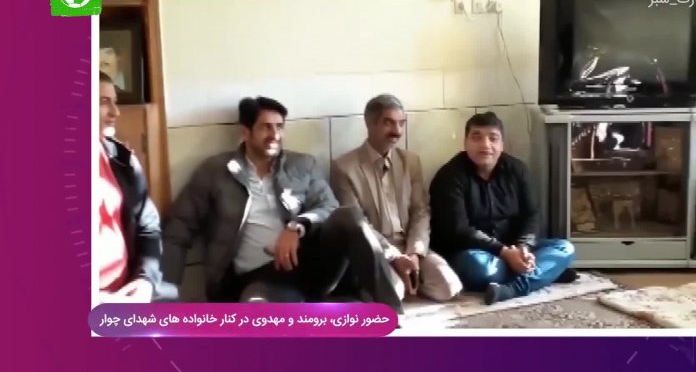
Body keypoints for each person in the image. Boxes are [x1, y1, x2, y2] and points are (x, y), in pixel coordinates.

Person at [161, 96, 402, 312]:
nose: (275, 135)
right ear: (245, 132)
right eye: (266, 127)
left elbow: (329, 206)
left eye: (279, 127)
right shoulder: (215, 172)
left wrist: (297, 226)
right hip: (260, 279)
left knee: (349, 217)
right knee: (259, 313)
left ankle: (390, 311)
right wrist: (164, 296)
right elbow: (177, 230)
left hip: (311, 264)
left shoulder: (302, 165)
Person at [429, 112, 577, 305]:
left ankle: (514, 288)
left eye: (493, 138)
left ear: (502, 144)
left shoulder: (517, 170)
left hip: (513, 247)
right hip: (471, 253)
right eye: (477, 137)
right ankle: (544, 273)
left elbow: (531, 215)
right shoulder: (449, 177)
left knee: (565, 248)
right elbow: (460, 230)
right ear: (465, 143)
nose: (485, 145)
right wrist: (505, 253)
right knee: (481, 269)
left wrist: (523, 248)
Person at [331, 95, 462, 302]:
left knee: (448, 286)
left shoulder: (410, 161)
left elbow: (421, 210)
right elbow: (357, 225)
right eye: (388, 123)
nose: (397, 131)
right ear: (370, 124)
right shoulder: (344, 167)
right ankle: (396, 283)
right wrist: (392, 256)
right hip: (375, 251)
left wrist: (415, 252)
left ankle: (410, 278)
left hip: (410, 246)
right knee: (394, 293)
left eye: (401, 123)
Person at [98, 71, 174, 303]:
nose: (115, 112)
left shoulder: (122, 159)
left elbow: (148, 225)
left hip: (128, 290)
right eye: (103, 102)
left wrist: (145, 280)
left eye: (115, 101)